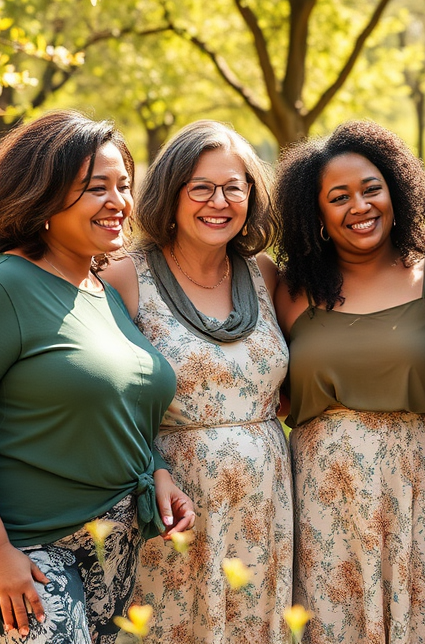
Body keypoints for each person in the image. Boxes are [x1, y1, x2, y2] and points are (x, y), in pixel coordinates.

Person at [0, 110, 192, 643]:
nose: (118, 202)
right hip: (18, 548)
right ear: (42, 195)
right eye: (97, 187)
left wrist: (157, 470)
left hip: (105, 539)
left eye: (123, 186)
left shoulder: (101, 291)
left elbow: (120, 405)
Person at [101, 121, 292, 642]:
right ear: (171, 192)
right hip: (175, 500)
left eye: (234, 186)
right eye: (201, 187)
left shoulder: (264, 274)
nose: (219, 201)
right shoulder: (124, 276)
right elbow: (104, 401)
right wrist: (152, 470)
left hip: (266, 499)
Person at [273, 120, 425, 644]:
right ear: (316, 213)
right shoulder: (287, 290)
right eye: (339, 197)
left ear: (396, 192)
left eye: (372, 189)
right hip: (324, 497)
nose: (360, 206)